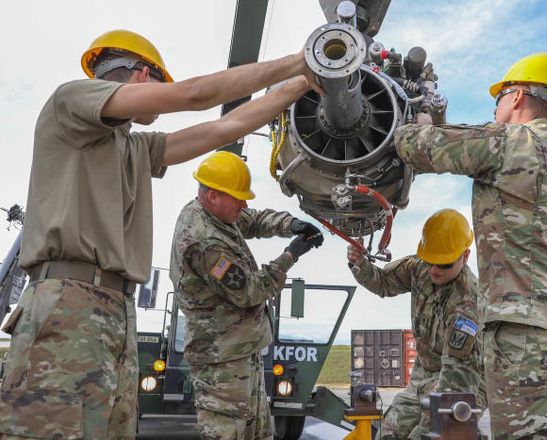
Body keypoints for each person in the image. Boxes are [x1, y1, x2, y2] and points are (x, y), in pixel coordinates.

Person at [0, 29, 320, 439]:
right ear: (139, 74)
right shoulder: (72, 101)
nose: (162, 91)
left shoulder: (131, 146)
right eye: (158, 81)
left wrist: (305, 81)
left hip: (115, 307)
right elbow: (193, 95)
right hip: (69, 301)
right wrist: (299, 60)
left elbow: (229, 126)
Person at [394, 53, 547, 439]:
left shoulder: (509, 143)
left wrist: (418, 118)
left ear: (518, 95)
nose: (496, 105)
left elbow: (416, 145)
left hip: (527, 349)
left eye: (500, 97)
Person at [169, 151, 323, 440]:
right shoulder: (203, 241)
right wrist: (292, 254)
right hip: (221, 360)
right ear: (212, 195)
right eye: (238, 197)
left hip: (240, 351)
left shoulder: (215, 213)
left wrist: (291, 224)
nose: (244, 203)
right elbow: (251, 291)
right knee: (231, 432)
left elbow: (253, 220)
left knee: (257, 431)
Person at [347, 209, 485, 440]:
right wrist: (359, 262)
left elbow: (456, 375)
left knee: (432, 435)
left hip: (463, 383)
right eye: (430, 261)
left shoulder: (467, 304)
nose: (433, 270)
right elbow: (382, 283)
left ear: (465, 256)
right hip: (424, 375)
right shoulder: (419, 267)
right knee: (388, 435)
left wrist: (442, 427)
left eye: (443, 264)